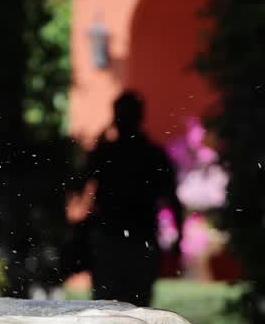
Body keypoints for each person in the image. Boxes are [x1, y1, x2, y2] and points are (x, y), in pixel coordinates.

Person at [71, 92, 183, 306]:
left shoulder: (107, 152)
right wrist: (179, 238)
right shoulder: (152, 154)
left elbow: (77, 185)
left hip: (113, 237)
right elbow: (172, 198)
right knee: (137, 308)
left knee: (107, 307)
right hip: (138, 238)